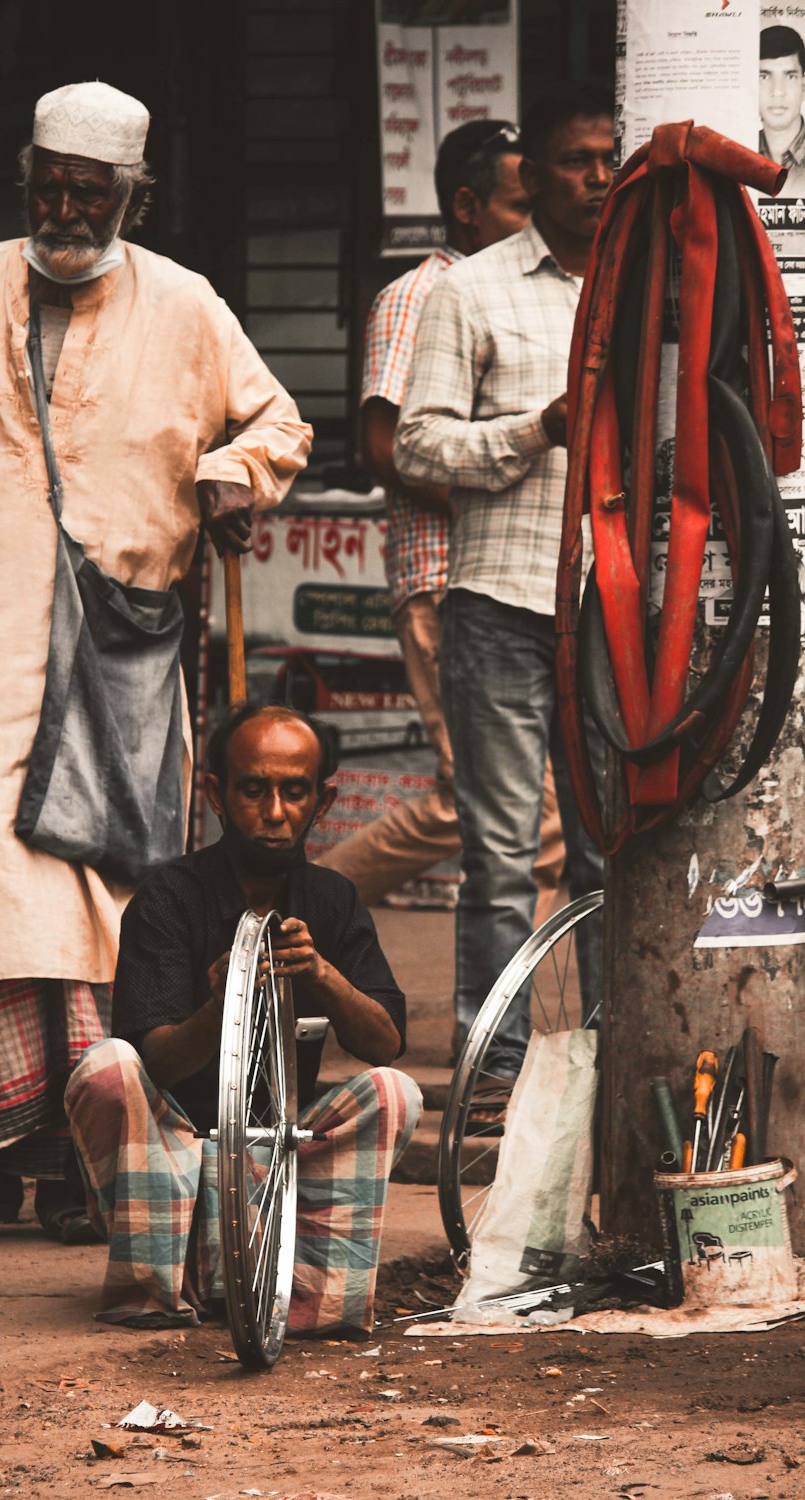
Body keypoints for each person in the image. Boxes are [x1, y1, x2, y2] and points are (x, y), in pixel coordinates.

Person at [0, 82, 312, 1238]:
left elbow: (279, 425)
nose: (65, 207)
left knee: (99, 900)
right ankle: (3, 1145)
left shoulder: (187, 304)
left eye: (88, 192)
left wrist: (230, 478)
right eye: (48, 187)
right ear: (27, 183)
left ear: (129, 197)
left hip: (119, 654)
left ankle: (88, 1154)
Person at [394, 84, 613, 1113]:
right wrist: (537, 429)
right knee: (497, 852)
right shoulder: (469, 291)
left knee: (611, 848)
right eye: (576, 159)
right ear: (531, 175)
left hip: (614, 614)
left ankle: (616, 1056)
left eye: (610, 156)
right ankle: (493, 1072)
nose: (597, 175)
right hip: (501, 603)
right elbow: (415, 442)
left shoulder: (642, 285)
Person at [64, 704, 422, 1333]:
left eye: (294, 792)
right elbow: (156, 1065)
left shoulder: (333, 900)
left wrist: (322, 974)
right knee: (106, 1067)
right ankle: (157, 1290)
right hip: (170, 1152)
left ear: (325, 799)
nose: (276, 813)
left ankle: (314, 1301)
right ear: (217, 795)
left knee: (394, 1093)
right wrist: (221, 1006)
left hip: (276, 1152)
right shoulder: (168, 897)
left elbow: (385, 1043)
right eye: (254, 790)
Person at [316, 121, 565, 931]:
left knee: (503, 804)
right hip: (447, 575)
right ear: (467, 207)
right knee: (498, 805)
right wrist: (494, 496)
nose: (541, 220)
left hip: (523, 585)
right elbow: (388, 446)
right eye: (522, 204)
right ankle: (297, 906)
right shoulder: (420, 293)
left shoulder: (541, 286)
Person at [759, 25, 805, 197]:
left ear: (803, 86)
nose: (777, 91)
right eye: (764, 76)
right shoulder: (737, 153)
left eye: (790, 76)